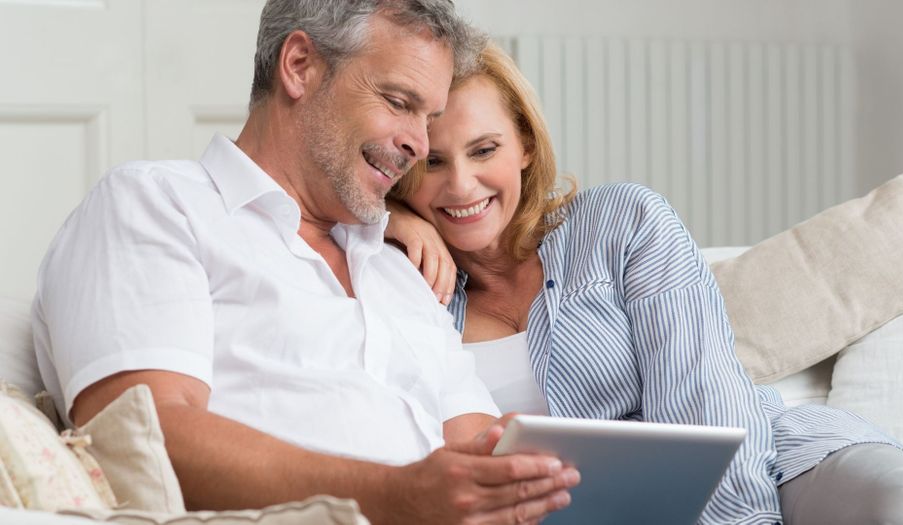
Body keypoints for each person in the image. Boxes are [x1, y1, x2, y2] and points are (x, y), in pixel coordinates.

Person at [31, 2, 581, 523]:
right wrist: (396, 497)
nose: (419, 144)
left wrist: (522, 465)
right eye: (399, 102)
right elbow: (140, 435)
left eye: (429, 116)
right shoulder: (159, 205)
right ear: (300, 66)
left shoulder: (400, 270)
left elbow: (474, 439)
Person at [386, 42, 903, 524]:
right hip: (580, 512)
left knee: (898, 510)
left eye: (485, 150)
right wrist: (385, 222)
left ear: (525, 144)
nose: (461, 185)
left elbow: (705, 399)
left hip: (774, 467)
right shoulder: (396, 282)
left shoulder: (623, 221)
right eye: (432, 162)